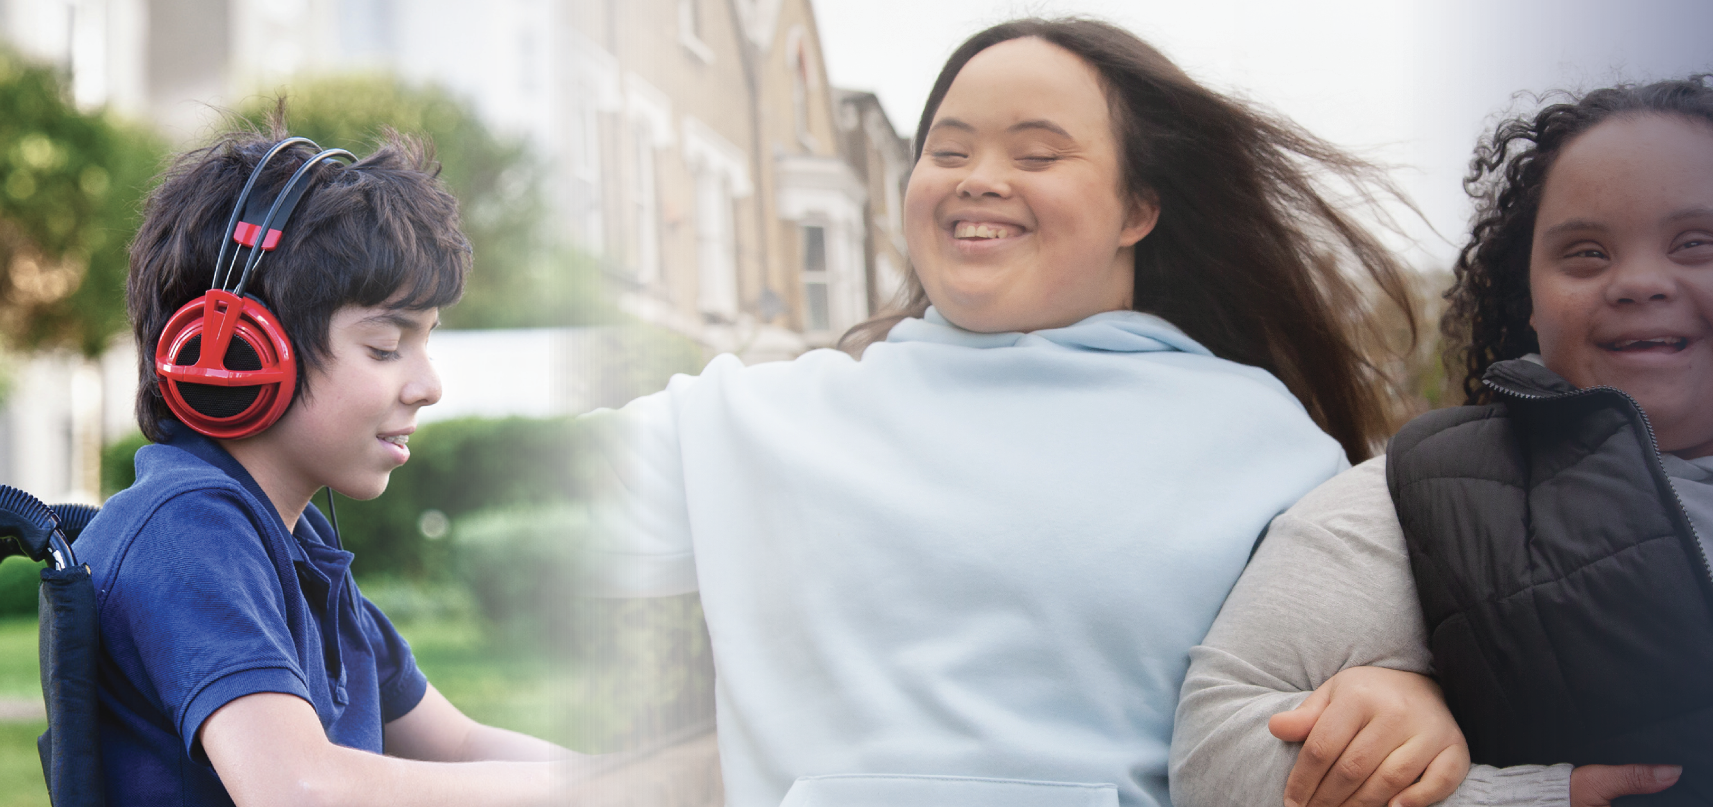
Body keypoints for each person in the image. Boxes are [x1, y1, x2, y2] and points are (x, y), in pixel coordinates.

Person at [592, 17, 1468, 807]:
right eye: (947, 151)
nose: (979, 180)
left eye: (1036, 155)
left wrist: (1407, 696)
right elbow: (500, 500)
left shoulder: (1268, 444)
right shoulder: (755, 420)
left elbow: (1346, 691)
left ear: (1139, 207)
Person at [1175, 75, 1713, 807]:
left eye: (1695, 242)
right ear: (1531, 298)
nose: (1642, 281)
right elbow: (1214, 755)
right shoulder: (1418, 493)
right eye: (1585, 252)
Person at [80, 127, 573, 806]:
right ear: (240, 352)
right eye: (385, 345)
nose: (428, 385)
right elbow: (299, 787)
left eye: (425, 341)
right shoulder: (185, 530)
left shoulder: (296, 545)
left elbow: (457, 742)